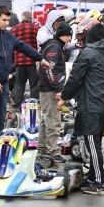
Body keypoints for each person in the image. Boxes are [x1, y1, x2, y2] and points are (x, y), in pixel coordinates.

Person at [0, 5, 50, 147]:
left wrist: (40, 58)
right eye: (4, 20)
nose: (7, 23)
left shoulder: (7, 35)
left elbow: (24, 47)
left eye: (8, 20)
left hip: (3, 84)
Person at [58, 23, 104, 195]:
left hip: (92, 104)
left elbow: (75, 78)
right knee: (96, 143)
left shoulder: (88, 53)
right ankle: (93, 176)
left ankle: (98, 182)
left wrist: (63, 97)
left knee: (93, 144)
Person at [37, 22, 73, 163]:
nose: (70, 39)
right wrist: (58, 89)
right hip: (50, 89)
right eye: (69, 35)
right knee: (53, 121)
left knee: (46, 121)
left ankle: (42, 149)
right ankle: (53, 151)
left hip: (47, 88)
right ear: (64, 35)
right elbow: (49, 68)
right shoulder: (55, 47)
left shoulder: (53, 45)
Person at [10, 11, 40, 108]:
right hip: (33, 61)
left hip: (19, 62)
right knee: (34, 85)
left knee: (19, 85)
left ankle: (18, 104)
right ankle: (33, 105)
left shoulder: (14, 29)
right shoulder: (37, 29)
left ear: (22, 18)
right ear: (31, 19)